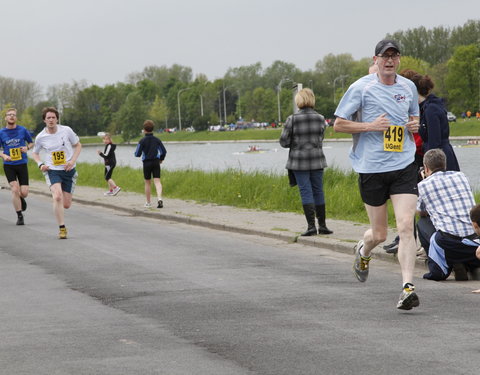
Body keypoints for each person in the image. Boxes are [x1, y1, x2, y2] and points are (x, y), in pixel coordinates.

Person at [334, 39, 421, 310]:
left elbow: (414, 121)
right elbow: (338, 124)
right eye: (385, 56)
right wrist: (370, 126)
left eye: (394, 56)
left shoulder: (408, 87)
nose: (390, 61)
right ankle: (364, 249)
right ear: (376, 59)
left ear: (399, 60)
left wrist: (415, 125)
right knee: (380, 234)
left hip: (404, 164)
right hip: (371, 168)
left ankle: (407, 287)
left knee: (406, 225)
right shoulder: (361, 87)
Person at [416, 149, 479, 281]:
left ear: (426, 168)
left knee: (422, 223)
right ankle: (468, 264)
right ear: (445, 164)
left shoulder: (423, 185)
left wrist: (425, 180)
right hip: (474, 241)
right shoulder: (461, 176)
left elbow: (420, 211)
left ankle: (441, 265)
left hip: (448, 242)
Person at [280, 88, 333, 236]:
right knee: (318, 191)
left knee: (306, 191)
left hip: (299, 162)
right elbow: (320, 138)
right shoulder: (321, 118)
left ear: (299, 100)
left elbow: (283, 142)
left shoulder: (292, 119)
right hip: (317, 159)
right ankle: (322, 226)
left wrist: (296, 144)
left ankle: (311, 227)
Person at [32, 107, 82, 239]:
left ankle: (63, 199)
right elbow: (35, 153)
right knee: (57, 196)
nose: (51, 120)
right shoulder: (41, 137)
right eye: (48, 118)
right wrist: (40, 164)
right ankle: (62, 228)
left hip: (68, 170)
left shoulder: (66, 130)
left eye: (53, 117)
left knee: (66, 204)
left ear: (57, 119)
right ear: (44, 120)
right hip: (52, 170)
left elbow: (78, 145)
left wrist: (72, 161)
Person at [407, 72, 460, 171]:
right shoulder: (428, 107)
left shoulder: (431, 109)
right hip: (438, 156)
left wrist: (428, 166)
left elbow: (434, 141)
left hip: (439, 160)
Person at [0, 108, 34, 225]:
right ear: (5, 118)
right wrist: (4, 156)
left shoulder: (23, 130)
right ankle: (19, 215)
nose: (12, 117)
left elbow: (31, 142)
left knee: (24, 192)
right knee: (14, 189)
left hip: (22, 163)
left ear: (16, 117)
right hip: (9, 165)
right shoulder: (1, 132)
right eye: (9, 115)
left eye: (14, 115)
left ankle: (21, 198)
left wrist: (27, 148)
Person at [134, 120, 167, 208]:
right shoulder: (157, 140)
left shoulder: (142, 141)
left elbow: (137, 154)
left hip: (147, 163)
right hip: (156, 162)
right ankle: (159, 198)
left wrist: (141, 153)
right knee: (157, 181)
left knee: (148, 182)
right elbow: (163, 151)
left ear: (144, 130)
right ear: (153, 129)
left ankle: (148, 203)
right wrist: (161, 159)